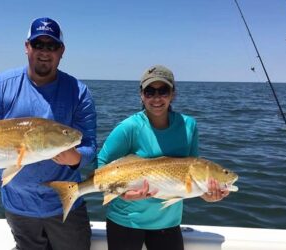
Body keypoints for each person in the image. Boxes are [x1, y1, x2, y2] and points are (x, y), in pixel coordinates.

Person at [0, 17, 96, 250]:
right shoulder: (1, 85)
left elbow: (89, 146)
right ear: (27, 47)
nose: (45, 52)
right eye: (38, 45)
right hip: (18, 207)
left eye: (52, 46)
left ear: (61, 51)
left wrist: (75, 158)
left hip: (65, 205)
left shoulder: (79, 92)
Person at [97, 65, 229, 250]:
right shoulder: (128, 128)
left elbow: (192, 174)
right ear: (141, 95)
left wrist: (207, 195)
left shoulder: (188, 126)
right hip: (126, 220)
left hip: (168, 222)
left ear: (173, 93)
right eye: (150, 91)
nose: (156, 98)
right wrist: (124, 194)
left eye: (163, 91)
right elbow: (102, 166)